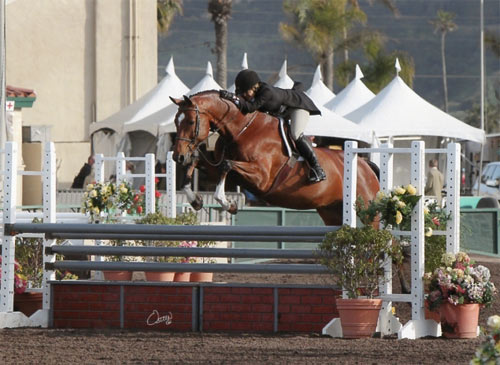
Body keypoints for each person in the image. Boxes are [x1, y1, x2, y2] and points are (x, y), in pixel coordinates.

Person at [219, 69, 326, 183]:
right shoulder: (255, 94)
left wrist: (232, 97)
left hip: (298, 106)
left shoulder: (266, 92)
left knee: (295, 134)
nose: (244, 96)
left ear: (254, 87)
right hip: (283, 111)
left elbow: (249, 108)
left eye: (245, 92)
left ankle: (317, 168)